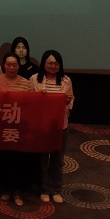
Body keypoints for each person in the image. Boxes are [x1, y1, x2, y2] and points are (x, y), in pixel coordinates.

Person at [0, 52, 32, 206]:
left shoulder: (26, 83)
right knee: (3, 158)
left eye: (14, 65)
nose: (11, 67)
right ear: (3, 65)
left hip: (20, 128)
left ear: (19, 66)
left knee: (19, 160)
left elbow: (31, 104)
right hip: (2, 126)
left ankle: (18, 191)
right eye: (8, 64)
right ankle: (6, 189)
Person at [32, 49, 74, 204]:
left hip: (60, 125)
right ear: (44, 63)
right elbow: (29, 101)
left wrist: (67, 101)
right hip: (41, 125)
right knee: (42, 159)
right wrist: (39, 97)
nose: (53, 66)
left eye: (56, 63)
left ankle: (55, 189)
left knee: (58, 159)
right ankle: (43, 189)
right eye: (50, 63)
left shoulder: (66, 80)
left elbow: (71, 100)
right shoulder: (35, 79)